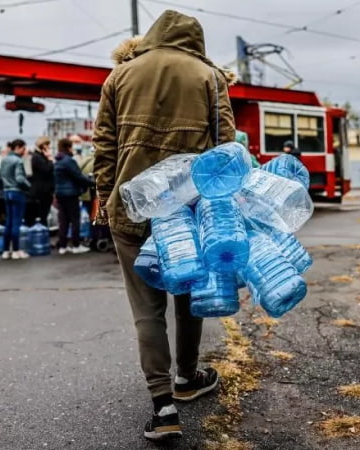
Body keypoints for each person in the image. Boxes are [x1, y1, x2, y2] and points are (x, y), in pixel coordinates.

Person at [92, 10, 236, 440]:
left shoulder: (120, 76)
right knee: (188, 294)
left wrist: (106, 195)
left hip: (131, 209)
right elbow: (226, 149)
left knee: (146, 309)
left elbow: (105, 147)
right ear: (196, 40)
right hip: (189, 212)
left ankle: (163, 405)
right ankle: (188, 377)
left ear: (153, 35)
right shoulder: (210, 78)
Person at [54, 137, 91, 255]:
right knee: (75, 220)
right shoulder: (68, 161)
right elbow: (78, 176)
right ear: (69, 147)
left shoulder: (58, 160)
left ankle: (63, 246)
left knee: (63, 221)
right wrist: (91, 183)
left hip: (59, 194)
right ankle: (76, 245)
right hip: (71, 194)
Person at [0, 139, 31, 260]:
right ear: (17, 147)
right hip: (17, 192)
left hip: (6, 192)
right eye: (23, 149)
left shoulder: (4, 160)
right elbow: (20, 179)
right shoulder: (18, 161)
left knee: (8, 222)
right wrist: (29, 186)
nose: (24, 151)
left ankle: (6, 250)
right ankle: (16, 250)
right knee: (16, 223)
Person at [31, 136, 54, 226]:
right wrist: (50, 159)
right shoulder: (37, 157)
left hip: (45, 190)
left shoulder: (40, 156)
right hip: (42, 191)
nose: (49, 147)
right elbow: (47, 169)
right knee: (43, 213)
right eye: (47, 145)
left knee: (44, 212)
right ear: (43, 146)